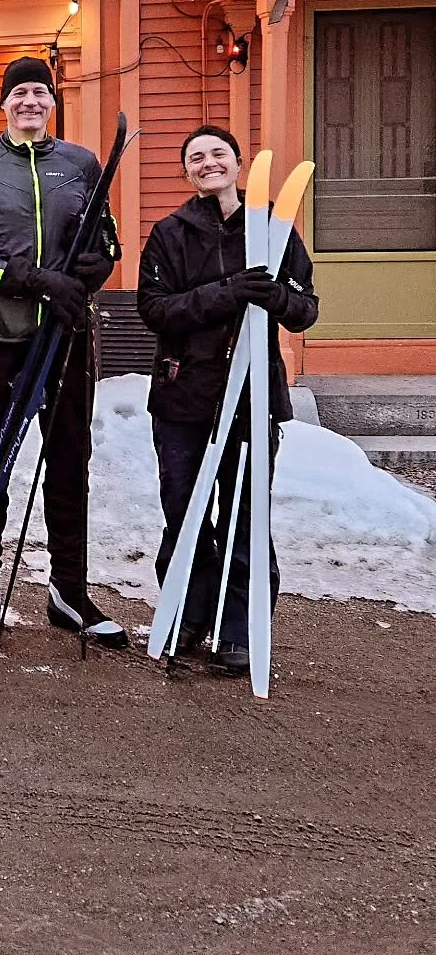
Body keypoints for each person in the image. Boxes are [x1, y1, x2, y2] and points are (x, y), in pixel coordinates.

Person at [0, 56, 124, 651]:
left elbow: (105, 239)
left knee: (70, 459)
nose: (30, 102)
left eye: (40, 93)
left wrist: (89, 273)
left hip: (68, 336)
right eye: (19, 93)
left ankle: (69, 590)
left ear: (52, 103)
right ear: (4, 103)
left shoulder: (81, 164)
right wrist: (21, 277)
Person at [137, 125, 317, 676]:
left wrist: (277, 296)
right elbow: (155, 309)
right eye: (197, 157)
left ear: (237, 163)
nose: (208, 163)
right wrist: (227, 292)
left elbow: (306, 308)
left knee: (244, 516)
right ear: (187, 171)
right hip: (183, 396)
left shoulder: (274, 231)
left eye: (218, 153)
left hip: (252, 398)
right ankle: (188, 616)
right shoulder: (170, 232)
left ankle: (238, 626)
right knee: (185, 513)